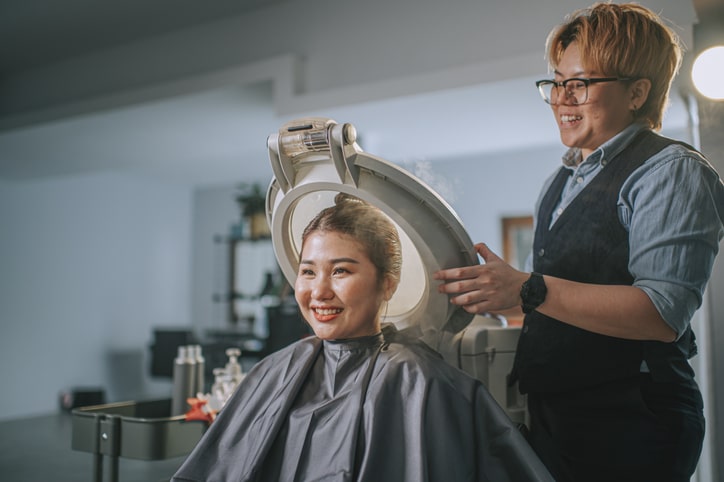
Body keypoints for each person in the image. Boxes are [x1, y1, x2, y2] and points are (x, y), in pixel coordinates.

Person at [435, 3, 724, 482]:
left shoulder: (670, 171)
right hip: (556, 414)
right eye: (556, 82)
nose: (562, 99)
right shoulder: (559, 180)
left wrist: (527, 288)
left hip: (632, 421)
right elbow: (545, 305)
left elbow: (661, 313)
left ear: (637, 92)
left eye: (581, 83)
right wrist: (490, 296)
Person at [172, 193, 553, 482]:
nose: (318, 291)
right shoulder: (275, 370)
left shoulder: (418, 381)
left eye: (340, 271)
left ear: (387, 285)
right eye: (308, 271)